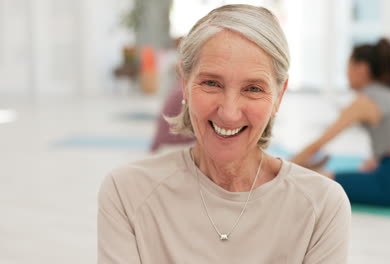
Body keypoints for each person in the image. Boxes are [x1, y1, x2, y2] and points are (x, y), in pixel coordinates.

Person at [98, 4, 350, 263]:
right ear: (184, 84)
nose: (229, 113)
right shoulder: (128, 192)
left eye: (253, 88)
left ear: (279, 95)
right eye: (211, 83)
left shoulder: (321, 205)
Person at [292, 39, 390, 206]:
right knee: (358, 169)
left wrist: (285, 168)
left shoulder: (367, 100)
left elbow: (318, 144)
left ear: (362, 69)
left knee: (312, 181)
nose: (346, 73)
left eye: (349, 66)